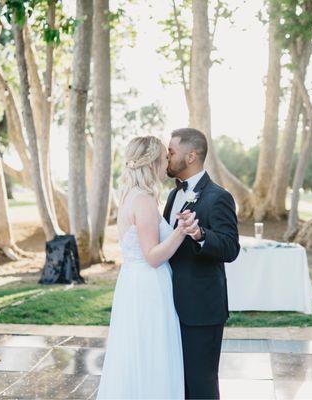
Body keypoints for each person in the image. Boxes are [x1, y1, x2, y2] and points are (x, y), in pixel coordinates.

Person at [96, 136, 198, 399]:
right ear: (152, 163)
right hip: (148, 285)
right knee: (152, 352)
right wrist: (181, 232)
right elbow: (152, 256)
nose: (168, 162)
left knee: (137, 352)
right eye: (165, 157)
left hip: (135, 281)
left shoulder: (132, 195)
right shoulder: (142, 200)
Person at [164, 128, 240, 399]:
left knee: (201, 383)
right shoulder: (173, 196)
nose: (167, 156)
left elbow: (231, 248)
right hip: (172, 305)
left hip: (202, 308)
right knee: (180, 381)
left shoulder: (219, 197)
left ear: (191, 156)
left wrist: (200, 235)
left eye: (171, 152)